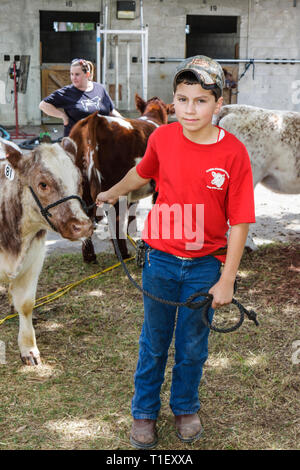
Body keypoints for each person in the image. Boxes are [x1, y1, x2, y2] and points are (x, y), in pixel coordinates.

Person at [95, 55, 256, 449]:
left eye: (200, 101)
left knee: (191, 346)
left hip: (205, 267)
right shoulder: (162, 138)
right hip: (161, 261)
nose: (190, 109)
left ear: (219, 104)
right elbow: (142, 172)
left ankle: (185, 406)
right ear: (172, 102)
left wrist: (227, 279)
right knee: (153, 343)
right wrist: (113, 192)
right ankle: (144, 413)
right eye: (182, 100)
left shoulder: (234, 153)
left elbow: (240, 222)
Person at [39, 58, 122, 136]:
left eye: (77, 74)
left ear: (87, 74)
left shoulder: (100, 89)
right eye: (71, 74)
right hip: (76, 142)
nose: (73, 78)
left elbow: (111, 111)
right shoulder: (67, 92)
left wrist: (125, 122)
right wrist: (63, 116)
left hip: (101, 140)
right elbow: (43, 105)